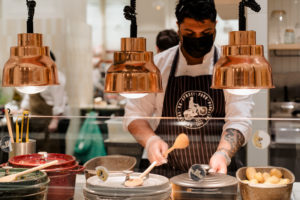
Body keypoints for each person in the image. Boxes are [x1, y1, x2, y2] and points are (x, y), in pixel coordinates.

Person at [124, 0, 254, 177]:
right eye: (190, 33)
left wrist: (223, 153)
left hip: (217, 174)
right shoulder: (159, 65)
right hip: (168, 175)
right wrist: (151, 141)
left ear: (215, 26)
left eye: (206, 32)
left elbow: (239, 119)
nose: (198, 39)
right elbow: (134, 115)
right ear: (178, 27)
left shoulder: (230, 67)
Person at [20, 51, 70, 154]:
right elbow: (29, 95)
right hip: (37, 120)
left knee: (54, 149)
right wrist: (23, 109)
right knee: (37, 149)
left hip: (54, 119)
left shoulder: (57, 77)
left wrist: (55, 121)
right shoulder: (35, 75)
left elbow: (59, 101)